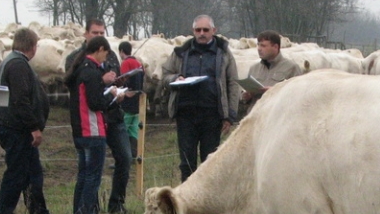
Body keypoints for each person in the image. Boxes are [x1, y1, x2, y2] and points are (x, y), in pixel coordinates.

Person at [0, 27, 64, 214]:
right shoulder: (18, 65)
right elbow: (20, 100)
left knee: (32, 173)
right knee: (17, 172)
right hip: (16, 128)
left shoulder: (10, 61)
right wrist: (34, 127)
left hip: (13, 125)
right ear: (32, 46)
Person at [162, 14, 240, 181]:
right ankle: (186, 201)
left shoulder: (224, 53)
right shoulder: (181, 52)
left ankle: (206, 203)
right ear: (193, 31)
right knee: (186, 161)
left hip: (212, 114)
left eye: (206, 30)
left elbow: (232, 83)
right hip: (186, 113)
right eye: (198, 30)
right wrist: (175, 79)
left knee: (210, 161)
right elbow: (165, 74)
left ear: (214, 30)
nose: (202, 33)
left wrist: (230, 115)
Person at [66, 20, 132, 214]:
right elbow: (79, 88)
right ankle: (88, 210)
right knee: (89, 169)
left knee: (125, 158)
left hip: (113, 116)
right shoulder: (75, 59)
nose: (98, 35)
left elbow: (115, 77)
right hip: (91, 120)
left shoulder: (111, 56)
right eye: (95, 32)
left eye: (102, 32)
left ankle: (116, 203)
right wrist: (102, 81)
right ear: (86, 34)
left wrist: (118, 84)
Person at [65, 35, 114, 214]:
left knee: (83, 175)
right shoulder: (92, 73)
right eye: (106, 54)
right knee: (93, 176)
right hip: (92, 130)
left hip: (79, 130)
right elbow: (95, 103)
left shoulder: (79, 70)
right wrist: (112, 97)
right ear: (100, 49)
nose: (105, 59)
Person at [240, 30, 302, 105]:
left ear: (275, 47)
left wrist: (274, 91)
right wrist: (246, 96)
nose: (259, 48)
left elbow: (299, 95)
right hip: (256, 114)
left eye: (263, 46)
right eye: (258, 45)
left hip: (277, 114)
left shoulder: (292, 67)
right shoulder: (254, 68)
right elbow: (246, 99)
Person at [117, 40, 145, 168]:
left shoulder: (125, 63)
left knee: (123, 130)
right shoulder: (139, 63)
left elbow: (123, 83)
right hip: (138, 102)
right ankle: (134, 156)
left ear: (122, 51)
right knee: (134, 130)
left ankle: (123, 158)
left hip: (128, 102)